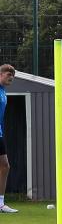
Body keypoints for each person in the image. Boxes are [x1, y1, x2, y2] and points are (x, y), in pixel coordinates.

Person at [0, 64, 18, 213]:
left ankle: (0, 203)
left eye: (13, 75)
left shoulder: (3, 92)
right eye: (8, 74)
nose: (11, 77)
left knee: (5, 166)